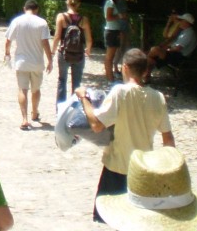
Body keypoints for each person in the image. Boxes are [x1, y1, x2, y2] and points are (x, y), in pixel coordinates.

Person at [75, 47, 175, 223]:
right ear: (145, 71)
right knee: (138, 221)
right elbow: (168, 138)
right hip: (143, 170)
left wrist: (84, 99)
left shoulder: (120, 92)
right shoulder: (158, 97)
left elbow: (97, 124)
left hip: (117, 167)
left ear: (125, 67)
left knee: (112, 219)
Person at [4, 0, 53, 130]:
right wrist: (50, 60)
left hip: (21, 62)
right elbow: (45, 43)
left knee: (22, 89)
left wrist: (7, 53)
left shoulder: (17, 21)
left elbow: (8, 40)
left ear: (24, 8)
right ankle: (35, 112)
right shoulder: (42, 23)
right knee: (36, 90)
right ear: (36, 9)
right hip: (37, 62)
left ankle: (24, 119)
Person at [51, 0, 93, 103]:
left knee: (62, 80)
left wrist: (53, 52)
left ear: (67, 3)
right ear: (78, 4)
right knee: (77, 83)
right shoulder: (84, 19)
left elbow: (57, 36)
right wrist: (87, 50)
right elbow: (89, 39)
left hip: (64, 53)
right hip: (79, 54)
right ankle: (75, 109)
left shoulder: (61, 17)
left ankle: (60, 108)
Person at [146, 13, 197, 80]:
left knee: (155, 51)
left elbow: (177, 48)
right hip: (176, 54)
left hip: (180, 57)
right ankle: (146, 75)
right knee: (153, 53)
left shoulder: (189, 33)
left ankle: (145, 74)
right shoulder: (185, 31)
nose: (180, 22)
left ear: (186, 22)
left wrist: (165, 50)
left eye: (181, 20)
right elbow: (170, 39)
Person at [103, 0, 130, 83]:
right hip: (111, 31)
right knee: (109, 57)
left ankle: (111, 78)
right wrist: (120, 16)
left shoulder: (113, 2)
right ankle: (110, 79)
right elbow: (108, 17)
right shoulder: (110, 2)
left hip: (114, 31)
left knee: (111, 56)